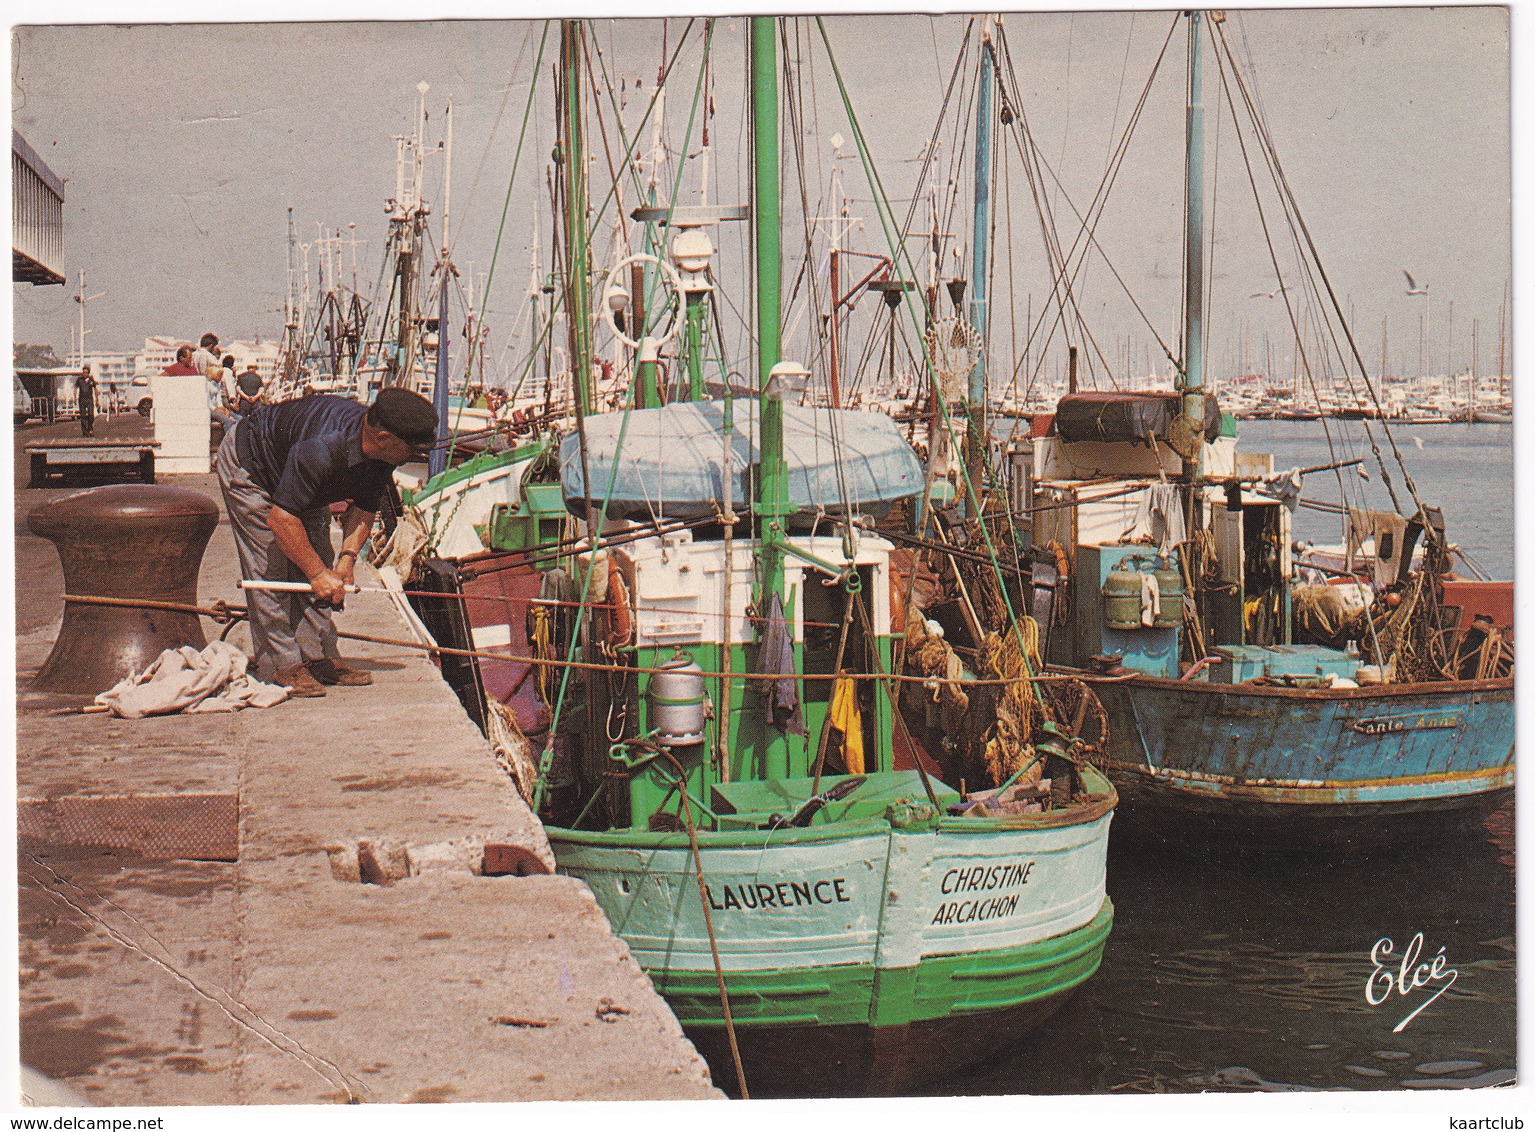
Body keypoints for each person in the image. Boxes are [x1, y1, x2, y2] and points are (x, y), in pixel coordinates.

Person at [215, 387, 438, 696]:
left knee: (320, 556)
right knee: (271, 572)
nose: (416, 457)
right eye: (412, 450)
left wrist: (345, 559)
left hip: (299, 474)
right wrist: (318, 574)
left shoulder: (383, 453)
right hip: (252, 466)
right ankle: (282, 665)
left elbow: (364, 508)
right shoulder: (322, 447)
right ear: (385, 438)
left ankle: (317, 657)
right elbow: (281, 521)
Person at [76, 367, 97, 438]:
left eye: (86, 372)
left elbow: (95, 389)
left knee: (91, 415)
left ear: (88, 373)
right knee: (83, 416)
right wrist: (74, 397)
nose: (84, 374)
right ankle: (85, 431)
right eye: (83, 372)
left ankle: (90, 428)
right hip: (82, 399)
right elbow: (76, 388)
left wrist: (97, 399)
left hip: (89, 399)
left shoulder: (91, 380)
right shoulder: (79, 379)